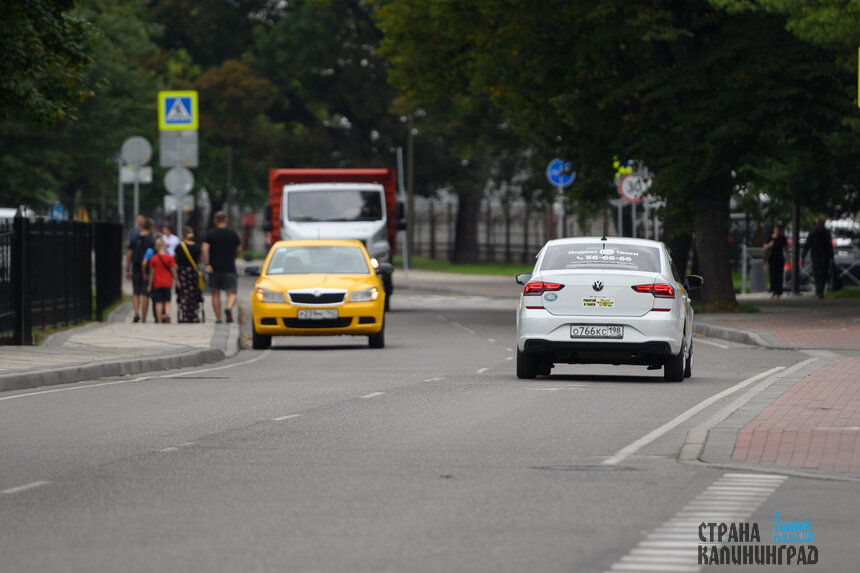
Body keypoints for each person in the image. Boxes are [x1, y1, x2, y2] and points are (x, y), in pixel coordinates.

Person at [202, 211, 241, 323]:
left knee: (215, 293)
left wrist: (207, 264)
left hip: (214, 268)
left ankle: (218, 318)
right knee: (231, 293)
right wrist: (234, 256)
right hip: (229, 267)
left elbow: (204, 249)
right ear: (226, 220)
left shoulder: (210, 234)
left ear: (215, 221)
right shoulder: (233, 234)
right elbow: (238, 249)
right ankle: (228, 308)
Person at [127, 217, 153, 322]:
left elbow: (129, 254)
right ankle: (144, 317)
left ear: (142, 226)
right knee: (145, 293)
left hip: (136, 267)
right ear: (150, 227)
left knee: (136, 292)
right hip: (148, 269)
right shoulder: (151, 240)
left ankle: (136, 313)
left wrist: (127, 268)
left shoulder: (135, 238)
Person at [801, 217, 834, 299]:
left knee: (824, 275)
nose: (820, 226)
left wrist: (831, 257)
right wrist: (803, 256)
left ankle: (821, 291)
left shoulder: (826, 233)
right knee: (817, 275)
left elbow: (829, 246)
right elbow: (807, 245)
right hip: (816, 257)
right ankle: (819, 291)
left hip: (825, 257)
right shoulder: (813, 233)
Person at [175, 226, 203, 323]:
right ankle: (193, 314)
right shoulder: (197, 247)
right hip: (193, 273)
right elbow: (199, 260)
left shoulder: (179, 247)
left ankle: (185, 314)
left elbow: (176, 260)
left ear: (183, 234)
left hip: (183, 273)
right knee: (193, 293)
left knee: (184, 293)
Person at [147, 237, 178, 323]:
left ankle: (159, 319)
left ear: (156, 247)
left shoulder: (154, 258)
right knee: (167, 301)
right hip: (167, 282)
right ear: (165, 246)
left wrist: (149, 285)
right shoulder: (169, 258)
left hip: (157, 283)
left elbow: (152, 273)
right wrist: (177, 281)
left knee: (158, 302)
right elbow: (173, 271)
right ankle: (167, 315)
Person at [763, 224, 789, 298]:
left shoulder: (782, 238)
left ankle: (778, 291)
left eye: (778, 229)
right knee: (772, 275)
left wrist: (788, 259)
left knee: (779, 275)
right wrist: (770, 244)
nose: (777, 231)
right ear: (774, 230)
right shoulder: (770, 237)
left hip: (779, 258)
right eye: (775, 229)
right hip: (772, 258)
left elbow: (786, 248)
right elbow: (765, 247)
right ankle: (773, 289)